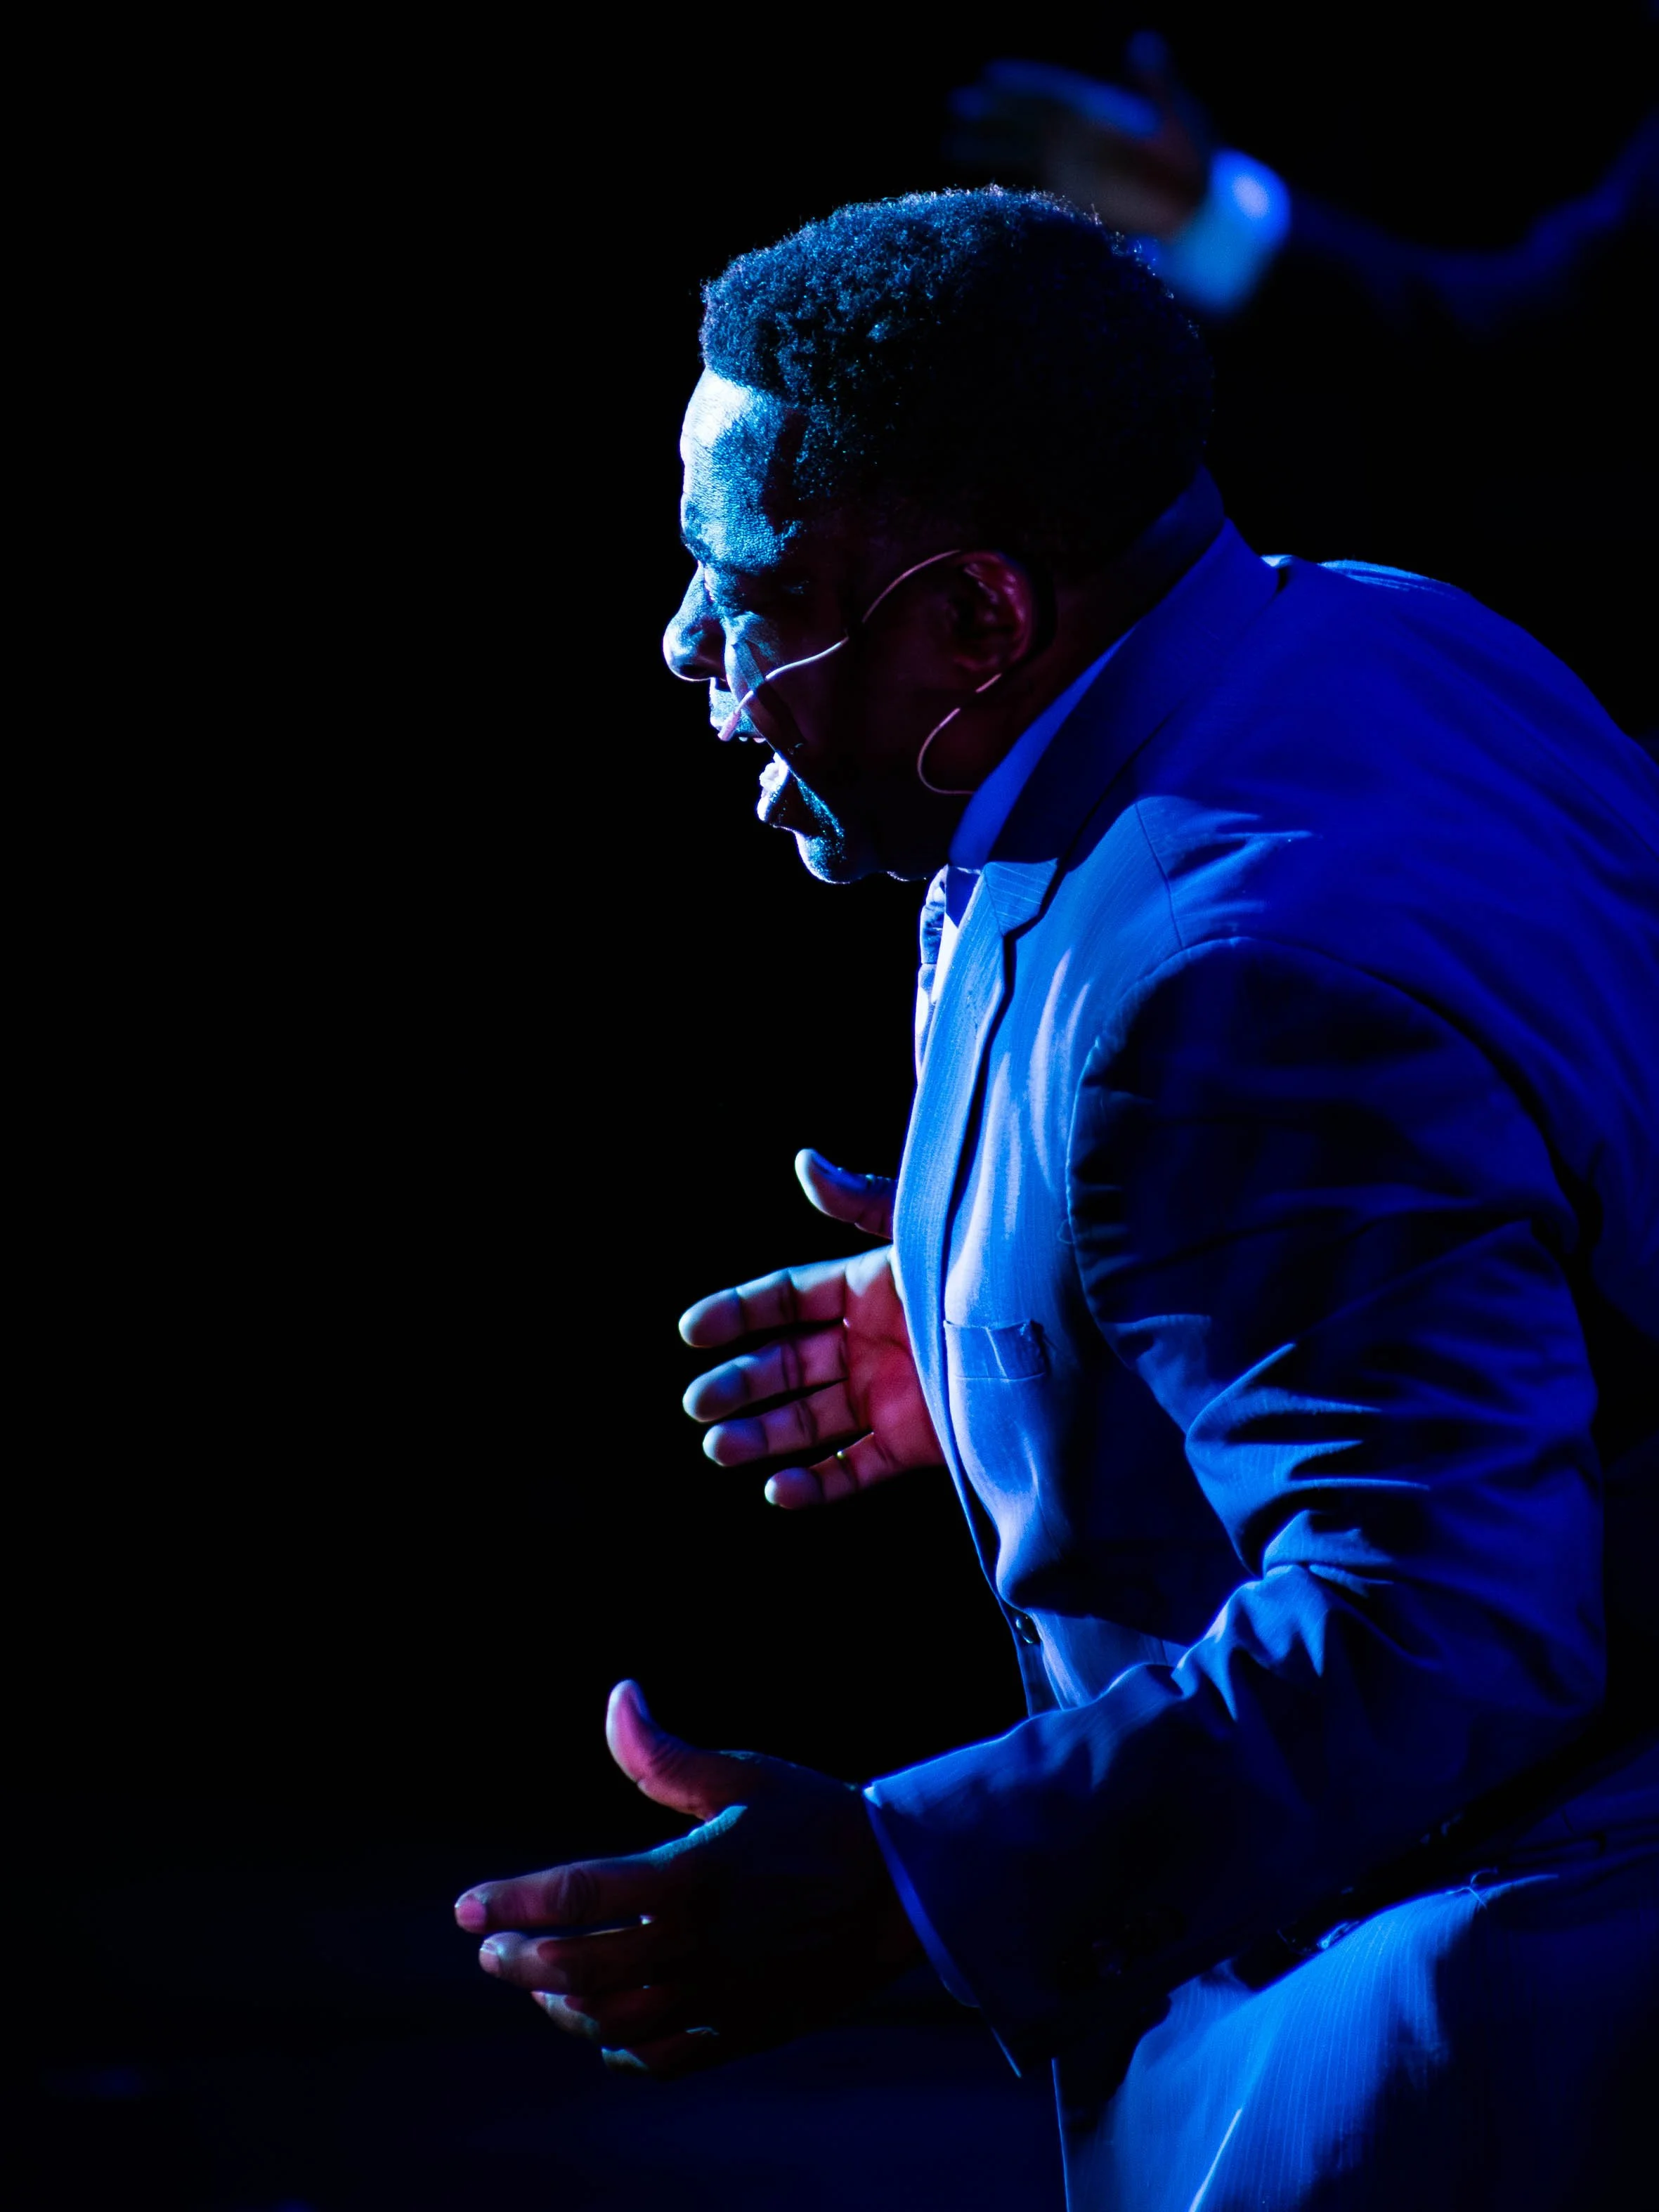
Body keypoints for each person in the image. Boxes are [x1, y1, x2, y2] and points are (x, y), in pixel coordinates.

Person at [455, 190, 1658, 2208]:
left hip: (1478, 2059)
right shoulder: (1378, 631)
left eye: (737, 579)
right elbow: (1519, 1193)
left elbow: (1440, 1627)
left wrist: (899, 1886)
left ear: (977, 625)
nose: (683, 647)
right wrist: (1027, 1305)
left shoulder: (1223, 994)